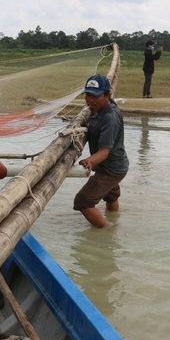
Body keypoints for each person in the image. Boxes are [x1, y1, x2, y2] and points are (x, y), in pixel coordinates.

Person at [73, 74, 129, 228]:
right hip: (116, 164)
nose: (90, 100)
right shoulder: (103, 107)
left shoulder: (109, 118)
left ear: (107, 95)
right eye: (88, 95)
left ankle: (107, 230)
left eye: (95, 96)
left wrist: (89, 161)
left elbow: (104, 152)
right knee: (111, 196)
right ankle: (114, 219)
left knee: (83, 201)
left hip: (111, 169)